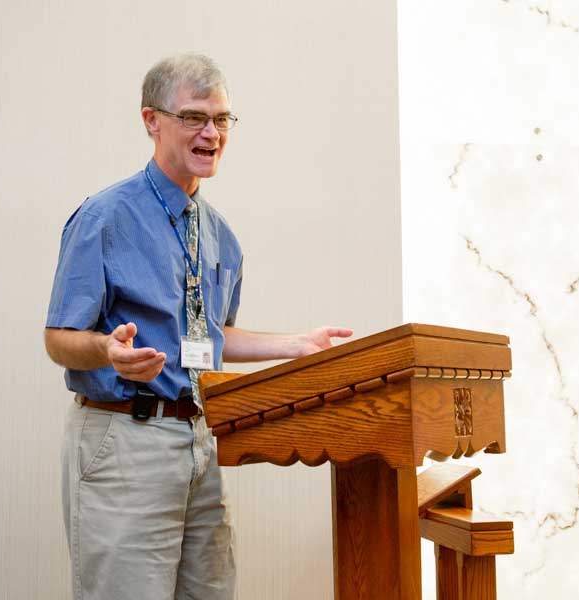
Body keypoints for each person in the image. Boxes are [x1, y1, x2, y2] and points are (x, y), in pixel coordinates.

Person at [44, 53, 352, 600]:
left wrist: (296, 345)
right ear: (151, 121)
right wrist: (107, 351)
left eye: (222, 119)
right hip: (124, 439)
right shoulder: (103, 218)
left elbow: (210, 336)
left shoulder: (220, 235)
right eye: (193, 117)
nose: (211, 133)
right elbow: (58, 339)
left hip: (200, 442)